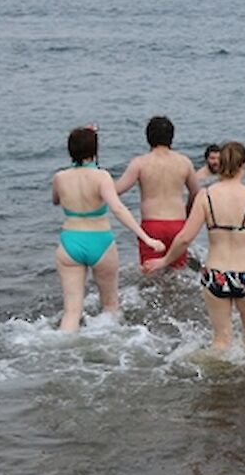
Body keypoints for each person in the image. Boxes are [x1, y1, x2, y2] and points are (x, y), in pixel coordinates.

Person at [146, 142, 245, 361]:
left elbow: (185, 238)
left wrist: (164, 260)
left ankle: (220, 381)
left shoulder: (205, 196)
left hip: (216, 274)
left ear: (220, 165)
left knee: (221, 339)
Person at [51, 126, 165, 333]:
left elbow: (56, 201)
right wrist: (146, 238)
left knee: (71, 311)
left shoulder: (59, 178)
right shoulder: (102, 177)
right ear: (95, 150)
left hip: (70, 242)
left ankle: (64, 351)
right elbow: (119, 210)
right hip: (100, 242)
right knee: (111, 305)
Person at [115, 116, 200, 269]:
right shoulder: (184, 162)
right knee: (178, 273)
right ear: (172, 137)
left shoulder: (140, 163)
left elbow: (117, 190)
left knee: (150, 273)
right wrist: (187, 210)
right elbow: (196, 193)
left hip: (151, 225)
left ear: (148, 137)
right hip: (178, 224)